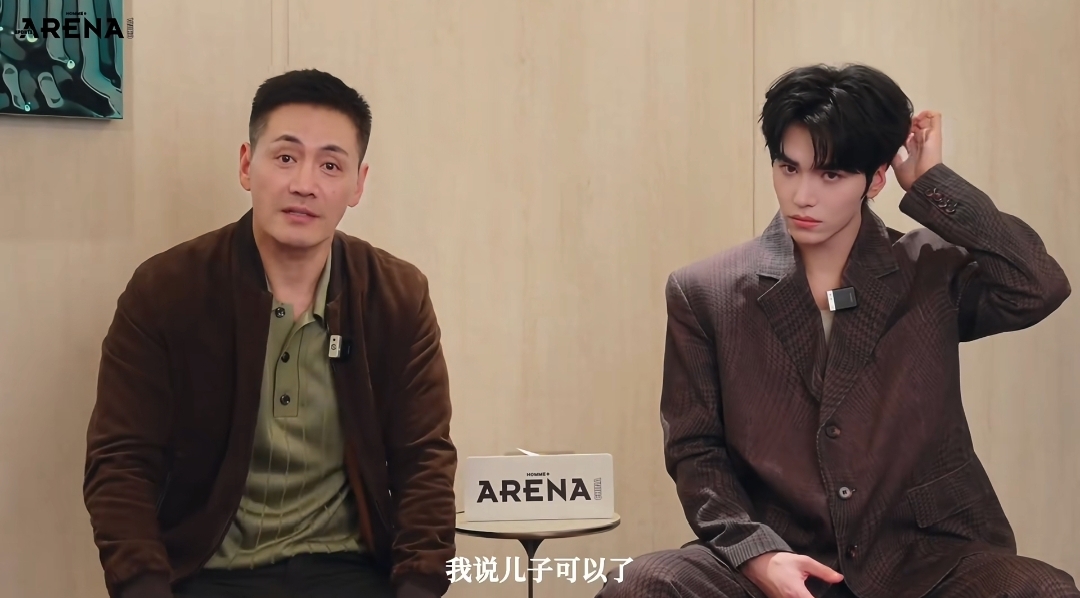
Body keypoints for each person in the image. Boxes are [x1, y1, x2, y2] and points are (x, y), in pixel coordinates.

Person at [597, 64, 1076, 598]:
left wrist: (932, 184)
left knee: (1042, 590)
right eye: (789, 168)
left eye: (830, 175)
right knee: (642, 584)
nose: (802, 195)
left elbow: (1037, 286)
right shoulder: (705, 291)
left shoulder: (930, 270)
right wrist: (757, 554)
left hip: (926, 558)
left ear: (875, 179)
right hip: (778, 549)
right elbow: (696, 450)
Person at [83, 69, 457, 598]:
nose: (304, 183)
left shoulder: (396, 296)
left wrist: (419, 584)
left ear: (358, 184)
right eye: (285, 157)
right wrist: (143, 586)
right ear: (246, 164)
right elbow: (120, 463)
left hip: (351, 573)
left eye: (330, 165)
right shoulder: (166, 290)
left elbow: (424, 463)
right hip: (206, 575)